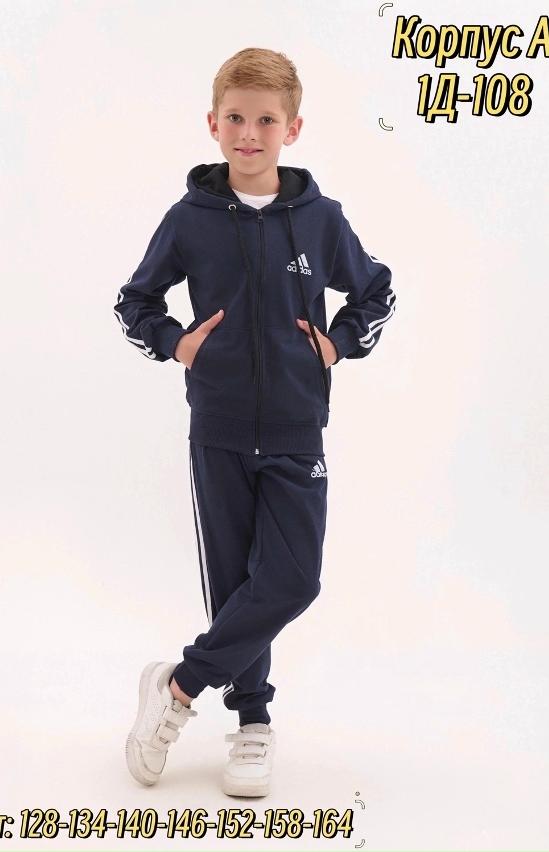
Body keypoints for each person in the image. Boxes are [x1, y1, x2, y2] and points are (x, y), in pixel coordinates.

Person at [114, 47, 395, 797]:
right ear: (213, 124)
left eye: (266, 120)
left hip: (299, 428)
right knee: (236, 580)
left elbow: (376, 290)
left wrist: (338, 344)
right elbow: (133, 302)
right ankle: (252, 722)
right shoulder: (189, 220)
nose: (249, 133)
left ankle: (177, 687)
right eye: (235, 118)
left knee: (293, 580)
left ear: (292, 129)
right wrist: (177, 343)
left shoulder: (322, 220)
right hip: (219, 429)